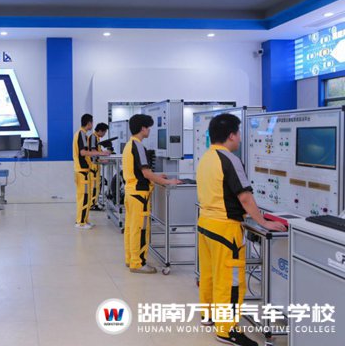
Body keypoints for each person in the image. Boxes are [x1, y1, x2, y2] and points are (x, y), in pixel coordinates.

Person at [196, 113, 286, 346]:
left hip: (205, 224)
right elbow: (244, 197)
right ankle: (227, 330)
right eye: (238, 133)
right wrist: (263, 222)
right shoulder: (230, 159)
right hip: (226, 229)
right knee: (231, 280)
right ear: (231, 135)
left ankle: (208, 314)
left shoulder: (206, 157)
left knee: (210, 274)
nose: (239, 138)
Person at [122, 114, 181, 273]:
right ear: (143, 128)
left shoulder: (129, 145)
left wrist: (157, 176)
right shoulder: (139, 146)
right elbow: (146, 173)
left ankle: (131, 259)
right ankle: (138, 263)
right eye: (148, 127)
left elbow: (140, 172)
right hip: (139, 195)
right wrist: (167, 182)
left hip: (131, 192)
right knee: (141, 229)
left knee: (131, 228)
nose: (149, 130)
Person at [73, 114, 110, 229]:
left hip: (84, 170)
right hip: (82, 171)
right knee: (83, 197)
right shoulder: (81, 134)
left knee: (86, 197)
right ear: (89, 123)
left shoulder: (82, 134)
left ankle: (85, 220)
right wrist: (101, 153)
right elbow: (83, 152)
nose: (92, 125)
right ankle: (80, 222)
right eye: (92, 122)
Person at [88, 123, 109, 211]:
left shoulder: (97, 138)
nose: (104, 134)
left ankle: (94, 203)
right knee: (94, 186)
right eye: (104, 132)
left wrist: (103, 155)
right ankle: (92, 204)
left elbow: (97, 152)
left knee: (96, 186)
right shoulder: (93, 137)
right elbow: (93, 152)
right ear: (100, 131)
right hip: (93, 166)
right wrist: (103, 155)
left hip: (96, 165)